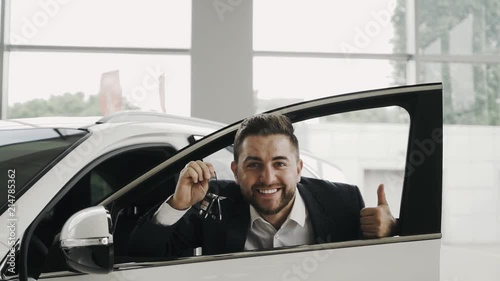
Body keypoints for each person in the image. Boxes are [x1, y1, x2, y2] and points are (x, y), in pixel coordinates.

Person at [129, 113, 397, 257]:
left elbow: (380, 268)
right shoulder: (214, 201)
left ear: (298, 169)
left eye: (280, 164)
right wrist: (178, 205)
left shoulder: (343, 202)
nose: (267, 178)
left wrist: (392, 232)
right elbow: (143, 253)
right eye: (254, 164)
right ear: (235, 171)